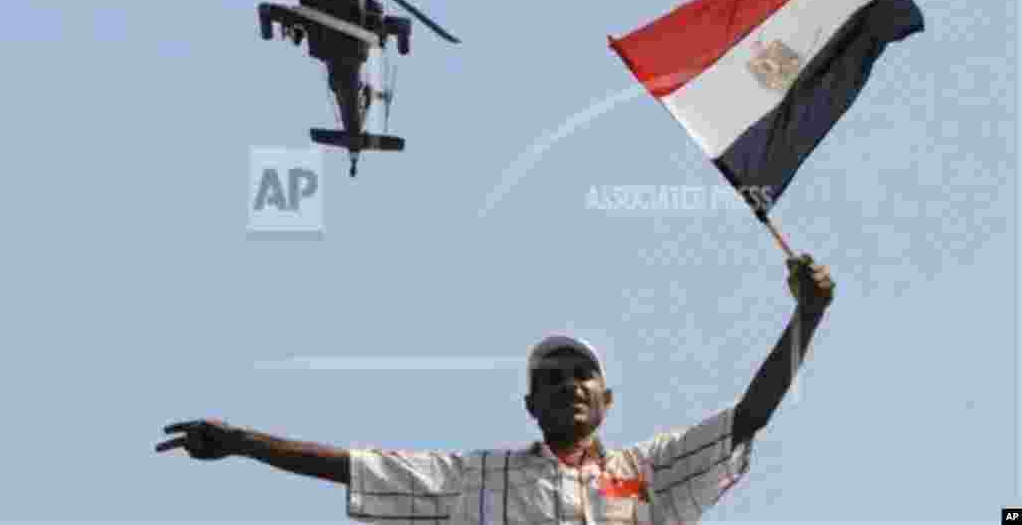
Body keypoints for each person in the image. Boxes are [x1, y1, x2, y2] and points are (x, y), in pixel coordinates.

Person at [156, 254, 834, 523]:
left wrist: (808, 314)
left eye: (581, 376)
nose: (568, 386)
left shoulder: (647, 474)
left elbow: (747, 420)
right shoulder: (474, 480)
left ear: (606, 401)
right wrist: (244, 443)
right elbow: (353, 467)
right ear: (529, 405)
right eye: (550, 380)